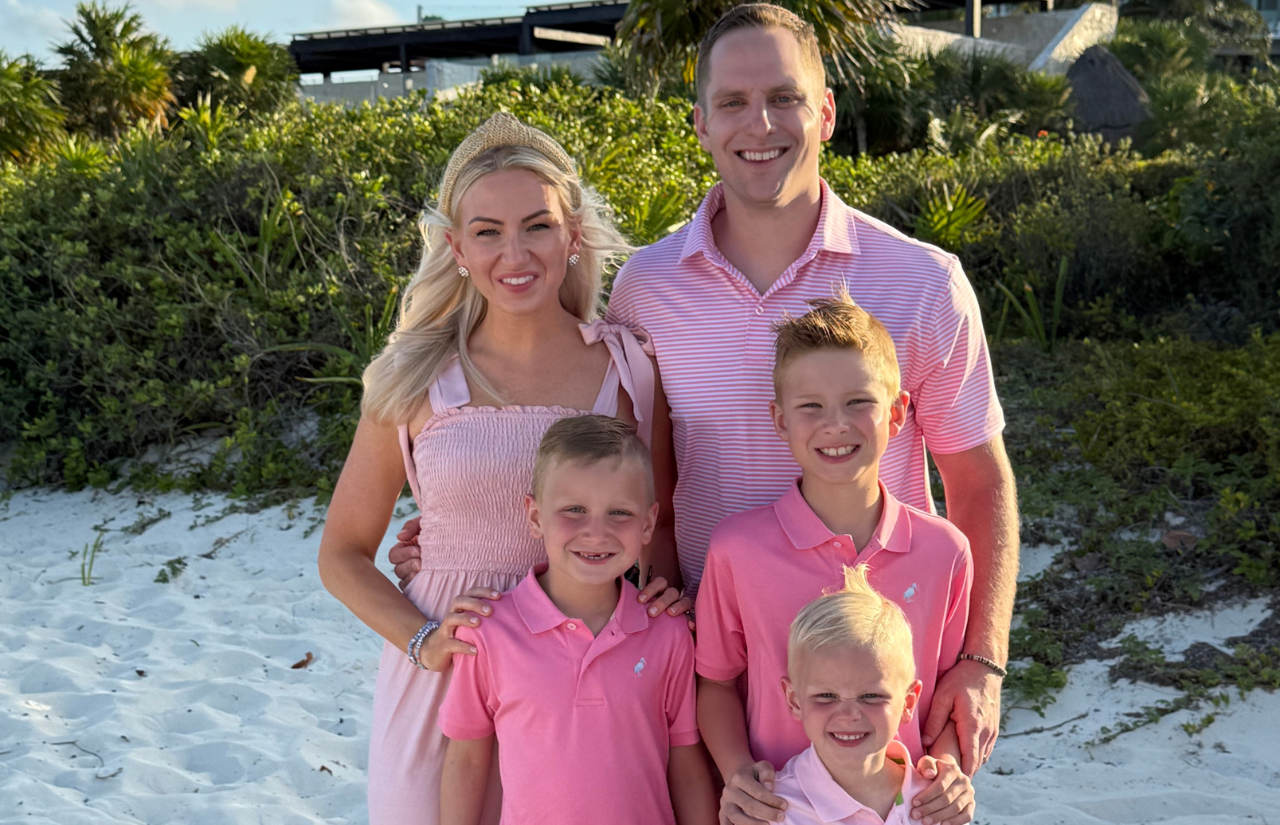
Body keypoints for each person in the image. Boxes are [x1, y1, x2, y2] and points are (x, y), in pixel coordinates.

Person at [393, 0, 1017, 783]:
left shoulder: (922, 281)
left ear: (825, 111)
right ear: (700, 123)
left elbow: (978, 479)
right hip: (707, 670)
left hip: (874, 680)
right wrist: (453, 525)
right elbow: (626, 473)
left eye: (784, 97)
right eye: (732, 102)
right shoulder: (646, 290)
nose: (760, 123)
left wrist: (983, 661)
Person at [317, 112, 684, 825]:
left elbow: (657, 523)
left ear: (573, 234)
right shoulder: (412, 375)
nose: (514, 252)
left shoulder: (630, 367)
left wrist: (663, 595)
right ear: (456, 246)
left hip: (588, 681)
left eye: (537, 225)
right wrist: (424, 640)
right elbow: (341, 554)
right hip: (449, 677)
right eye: (487, 230)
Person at [695, 295, 974, 825]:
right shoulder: (736, 549)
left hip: (903, 811)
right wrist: (738, 774)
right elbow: (714, 684)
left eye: (857, 402)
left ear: (896, 413)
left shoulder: (945, 551)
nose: (835, 424)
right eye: (811, 407)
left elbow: (942, 694)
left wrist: (949, 771)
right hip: (780, 810)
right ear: (780, 421)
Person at [439, 415, 717, 825]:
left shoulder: (668, 631)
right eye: (574, 510)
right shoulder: (487, 633)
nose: (595, 532)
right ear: (534, 517)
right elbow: (465, 762)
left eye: (619, 512)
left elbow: (685, 761)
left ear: (647, 523)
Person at [774, 565, 941, 825]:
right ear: (794, 700)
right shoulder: (773, 809)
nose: (849, 715)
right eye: (827, 696)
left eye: (871, 696)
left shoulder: (935, 801)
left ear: (908, 703)